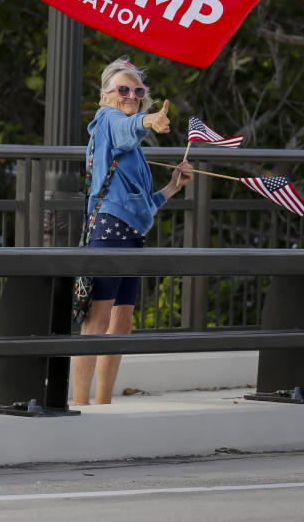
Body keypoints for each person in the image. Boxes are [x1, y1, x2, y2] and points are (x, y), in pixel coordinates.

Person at [71, 58, 193, 407]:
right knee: (97, 323)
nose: (131, 96)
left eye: (138, 92)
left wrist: (170, 188)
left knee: (121, 324)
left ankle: (103, 403)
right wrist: (149, 120)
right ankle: (81, 405)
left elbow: (139, 206)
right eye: (122, 90)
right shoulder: (108, 120)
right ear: (105, 95)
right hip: (109, 233)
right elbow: (128, 128)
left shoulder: (133, 149)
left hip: (130, 234)